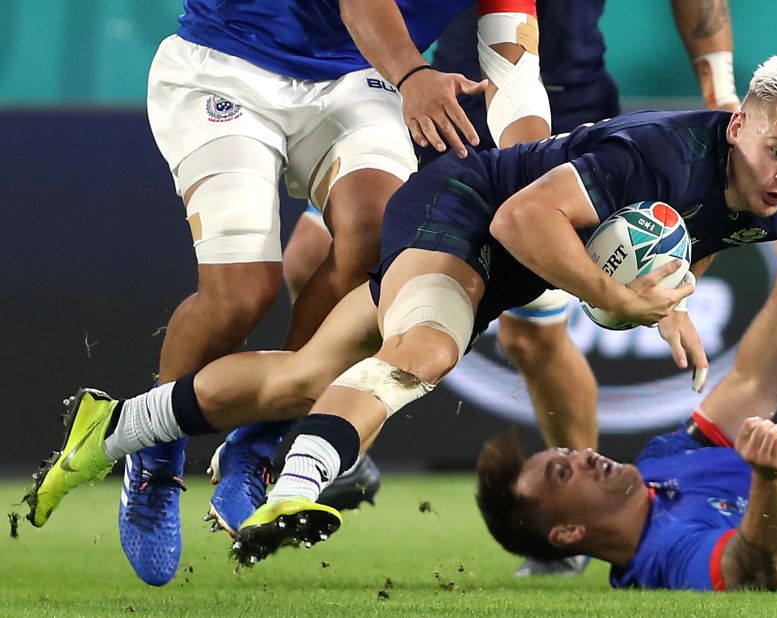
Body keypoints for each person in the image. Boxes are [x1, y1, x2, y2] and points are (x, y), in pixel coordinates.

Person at [27, 55, 777, 568]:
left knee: (302, 377)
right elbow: (519, 219)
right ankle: (296, 485)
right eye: (775, 150)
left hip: (497, 270)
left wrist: (669, 300)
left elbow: (697, 236)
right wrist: (611, 295)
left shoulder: (771, 205)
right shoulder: (657, 153)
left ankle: (117, 428)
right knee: (424, 351)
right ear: (738, 121)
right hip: (463, 207)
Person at [120, 0, 549, 586]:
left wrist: (538, 178)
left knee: (378, 243)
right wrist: (414, 75)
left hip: (357, 77)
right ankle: (154, 456)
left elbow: (514, 73)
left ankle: (262, 440)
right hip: (227, 61)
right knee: (242, 294)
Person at [420, 0, 742, 576]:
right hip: (453, 103)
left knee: (531, 338)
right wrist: (398, 71)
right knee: (329, 263)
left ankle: (577, 524)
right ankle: (303, 445)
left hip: (574, 114)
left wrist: (719, 89)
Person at [474, 175, 777, 591]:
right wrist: (768, 480)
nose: (586, 457)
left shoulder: (661, 462)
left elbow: (754, 384)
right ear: (567, 534)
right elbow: (758, 573)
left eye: (569, 452)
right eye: (563, 473)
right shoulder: (667, 558)